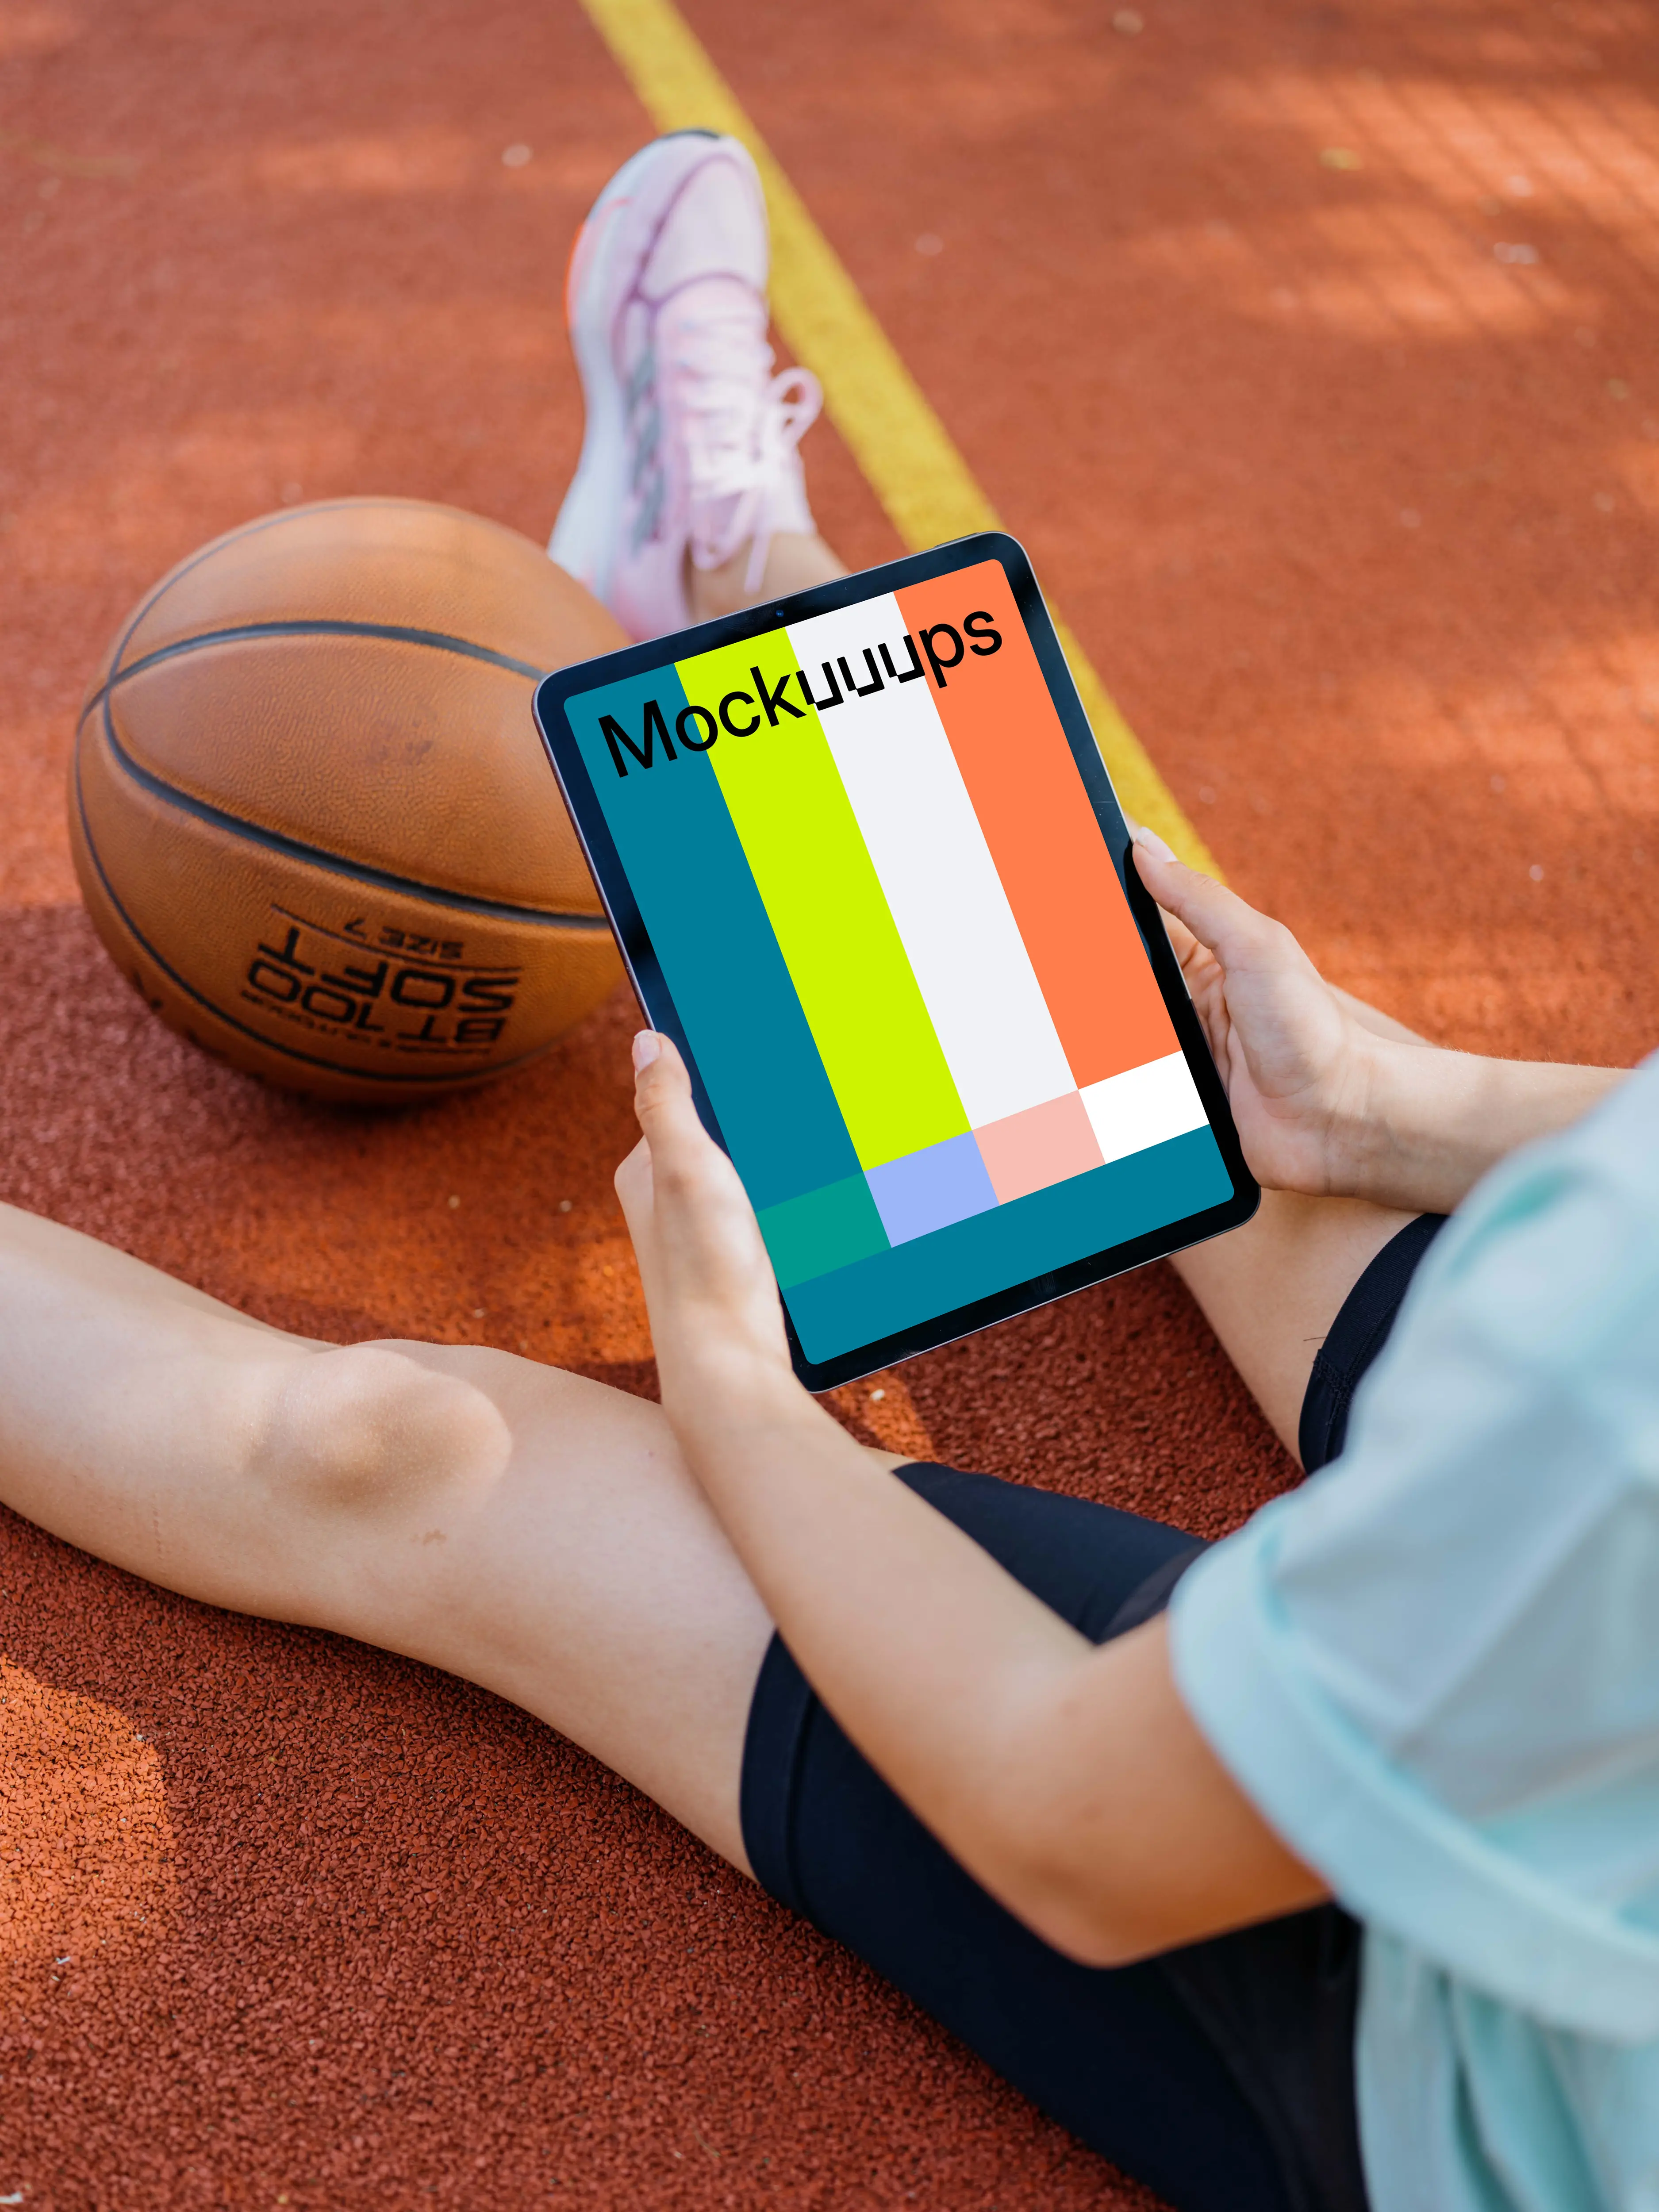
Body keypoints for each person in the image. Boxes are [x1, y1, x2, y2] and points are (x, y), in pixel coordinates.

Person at [5, 130, 1657, 2212]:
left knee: (408, 1456)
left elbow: (1080, 1825)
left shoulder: (1601, 1419)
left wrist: (731, 1396)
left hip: (1457, 2044)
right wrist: (1400, 1105)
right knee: (1179, 1072)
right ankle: (726, 569)